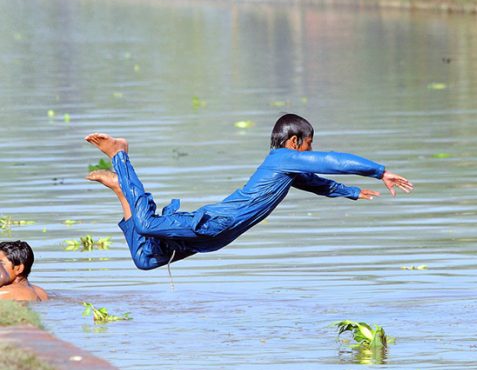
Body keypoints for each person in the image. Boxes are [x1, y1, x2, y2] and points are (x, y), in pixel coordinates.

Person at [85, 113, 413, 270]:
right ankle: (120, 154)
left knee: (145, 259)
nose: (311, 153)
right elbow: (332, 162)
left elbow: (314, 181)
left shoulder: (286, 170)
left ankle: (120, 188)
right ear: (295, 142)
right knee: (145, 225)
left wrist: (350, 192)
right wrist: (379, 171)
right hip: (212, 223)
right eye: (309, 146)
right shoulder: (284, 158)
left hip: (217, 237)